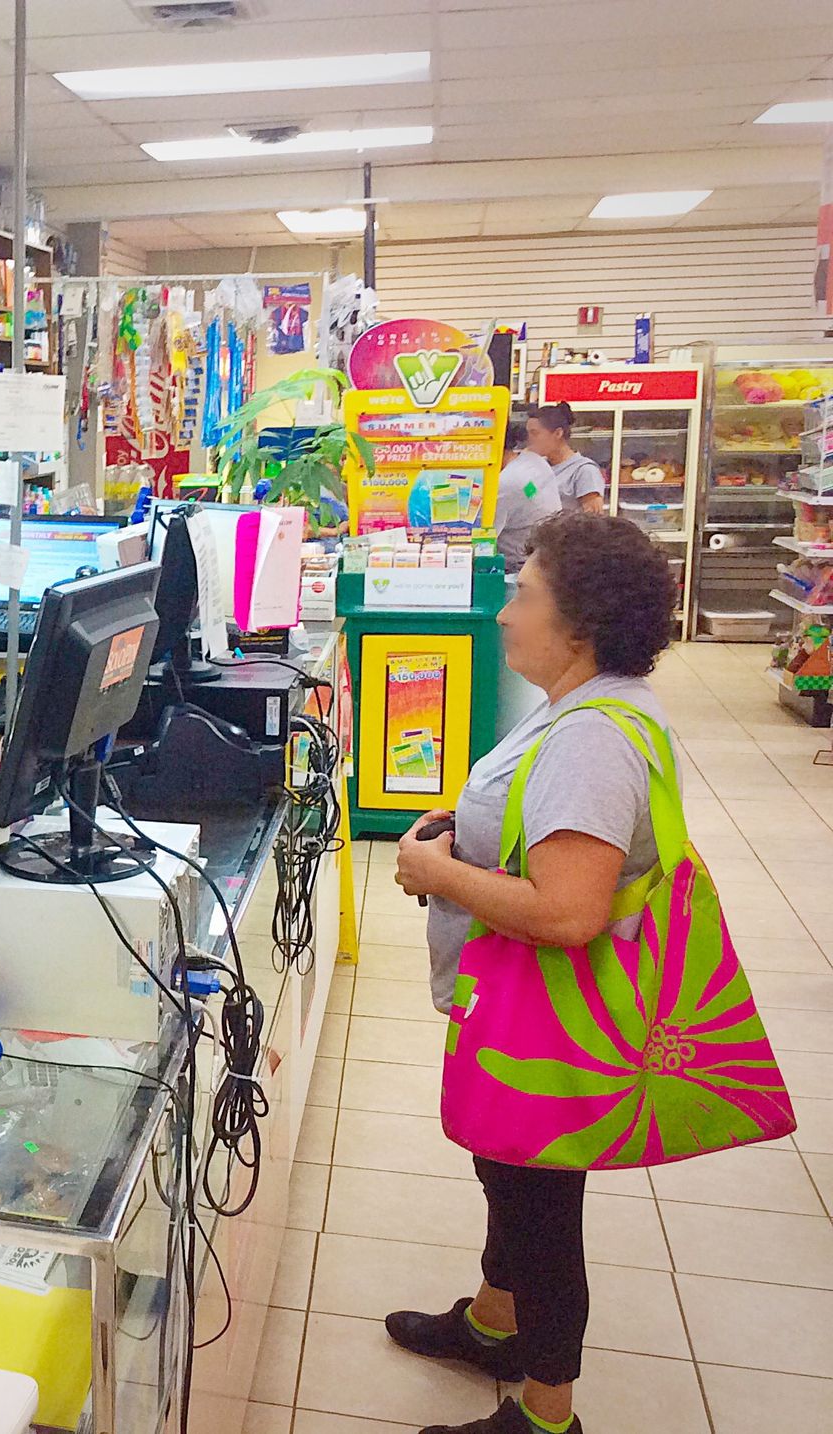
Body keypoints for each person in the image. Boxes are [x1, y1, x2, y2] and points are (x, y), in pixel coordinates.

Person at [389, 512, 680, 1434]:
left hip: (552, 1024)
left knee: (541, 1204)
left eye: (524, 593)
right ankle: (491, 1322)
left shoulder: (592, 739)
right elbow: (543, 827)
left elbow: (568, 910)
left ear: (579, 624)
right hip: (528, 1016)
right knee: (507, 1173)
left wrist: (440, 873)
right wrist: (470, 827)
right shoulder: (591, 704)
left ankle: (547, 1413)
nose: (506, 613)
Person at [493, 407, 561, 571]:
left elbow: (484, 538)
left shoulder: (507, 482)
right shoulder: (533, 460)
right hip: (549, 557)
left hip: (519, 567)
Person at [526, 403, 605, 514]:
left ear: (558, 433)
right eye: (528, 433)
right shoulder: (537, 467)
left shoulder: (584, 470)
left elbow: (594, 519)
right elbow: (529, 497)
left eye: (535, 433)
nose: (530, 439)